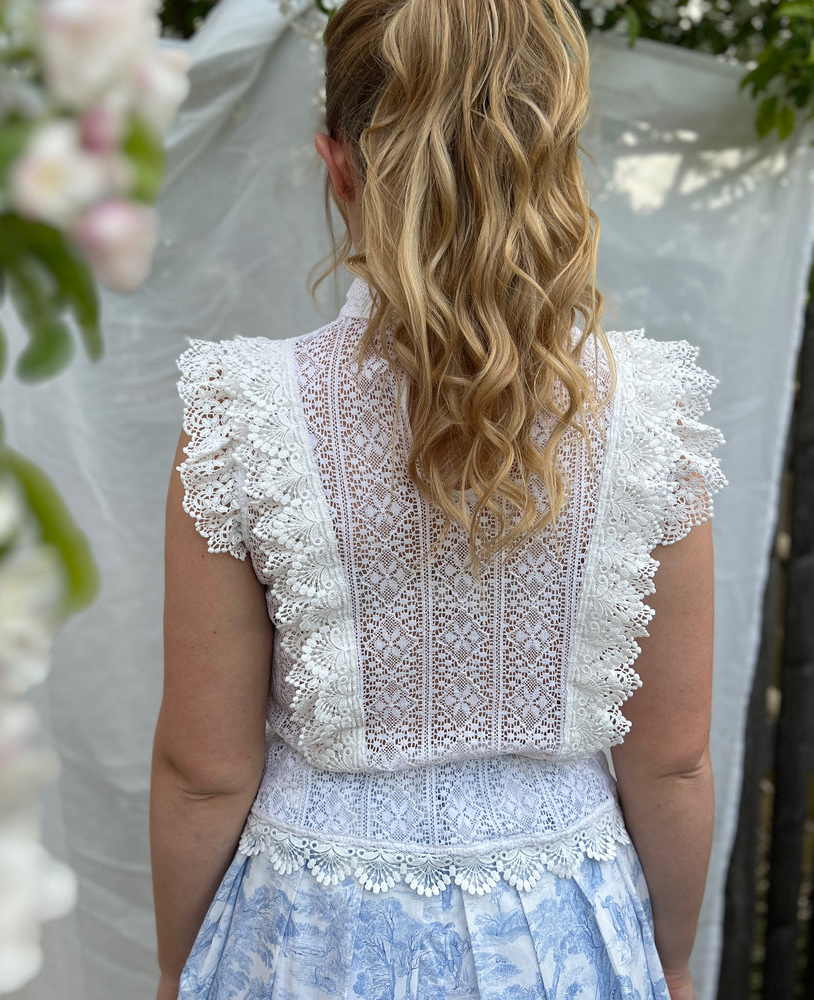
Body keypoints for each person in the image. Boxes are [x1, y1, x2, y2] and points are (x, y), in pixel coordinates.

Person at [151, 0, 726, 997]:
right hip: (566, 927)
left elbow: (204, 769)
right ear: (554, 160)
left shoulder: (240, 416)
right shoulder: (655, 416)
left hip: (309, 933)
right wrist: (668, 960)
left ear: (338, 170)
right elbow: (670, 763)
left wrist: (176, 972)